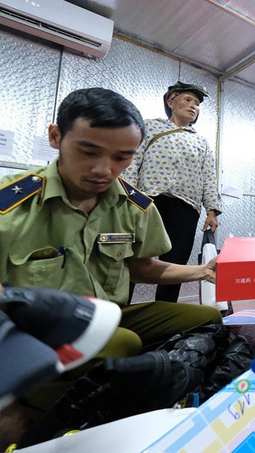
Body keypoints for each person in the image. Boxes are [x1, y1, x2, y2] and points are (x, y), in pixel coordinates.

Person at [0, 88, 222, 443]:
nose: (105, 169)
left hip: (107, 314)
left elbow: (142, 266)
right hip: (30, 332)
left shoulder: (134, 206)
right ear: (56, 136)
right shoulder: (10, 208)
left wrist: (203, 272)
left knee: (206, 319)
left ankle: (128, 393)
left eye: (122, 157)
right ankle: (42, 418)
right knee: (123, 343)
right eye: (88, 151)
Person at [123, 81, 223, 302]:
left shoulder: (201, 142)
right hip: (147, 202)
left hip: (187, 206)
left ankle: (165, 310)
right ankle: (123, 310)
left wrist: (212, 211)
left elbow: (209, 176)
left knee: (176, 261)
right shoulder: (149, 127)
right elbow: (133, 160)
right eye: (187, 100)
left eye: (197, 104)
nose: (193, 106)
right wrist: (128, 197)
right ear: (171, 101)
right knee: (133, 257)